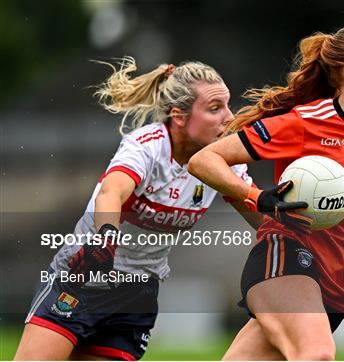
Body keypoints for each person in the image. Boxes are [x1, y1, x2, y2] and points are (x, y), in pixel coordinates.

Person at [188, 24, 344, 360]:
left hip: (343, 284)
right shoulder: (304, 122)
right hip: (287, 257)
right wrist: (258, 198)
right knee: (317, 355)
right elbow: (204, 160)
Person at [14, 57, 257, 361]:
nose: (228, 117)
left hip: (135, 296)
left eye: (227, 105)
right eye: (214, 108)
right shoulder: (147, 145)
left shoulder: (223, 164)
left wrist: (295, 224)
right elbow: (110, 192)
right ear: (179, 116)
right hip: (83, 278)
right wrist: (104, 239)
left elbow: (258, 213)